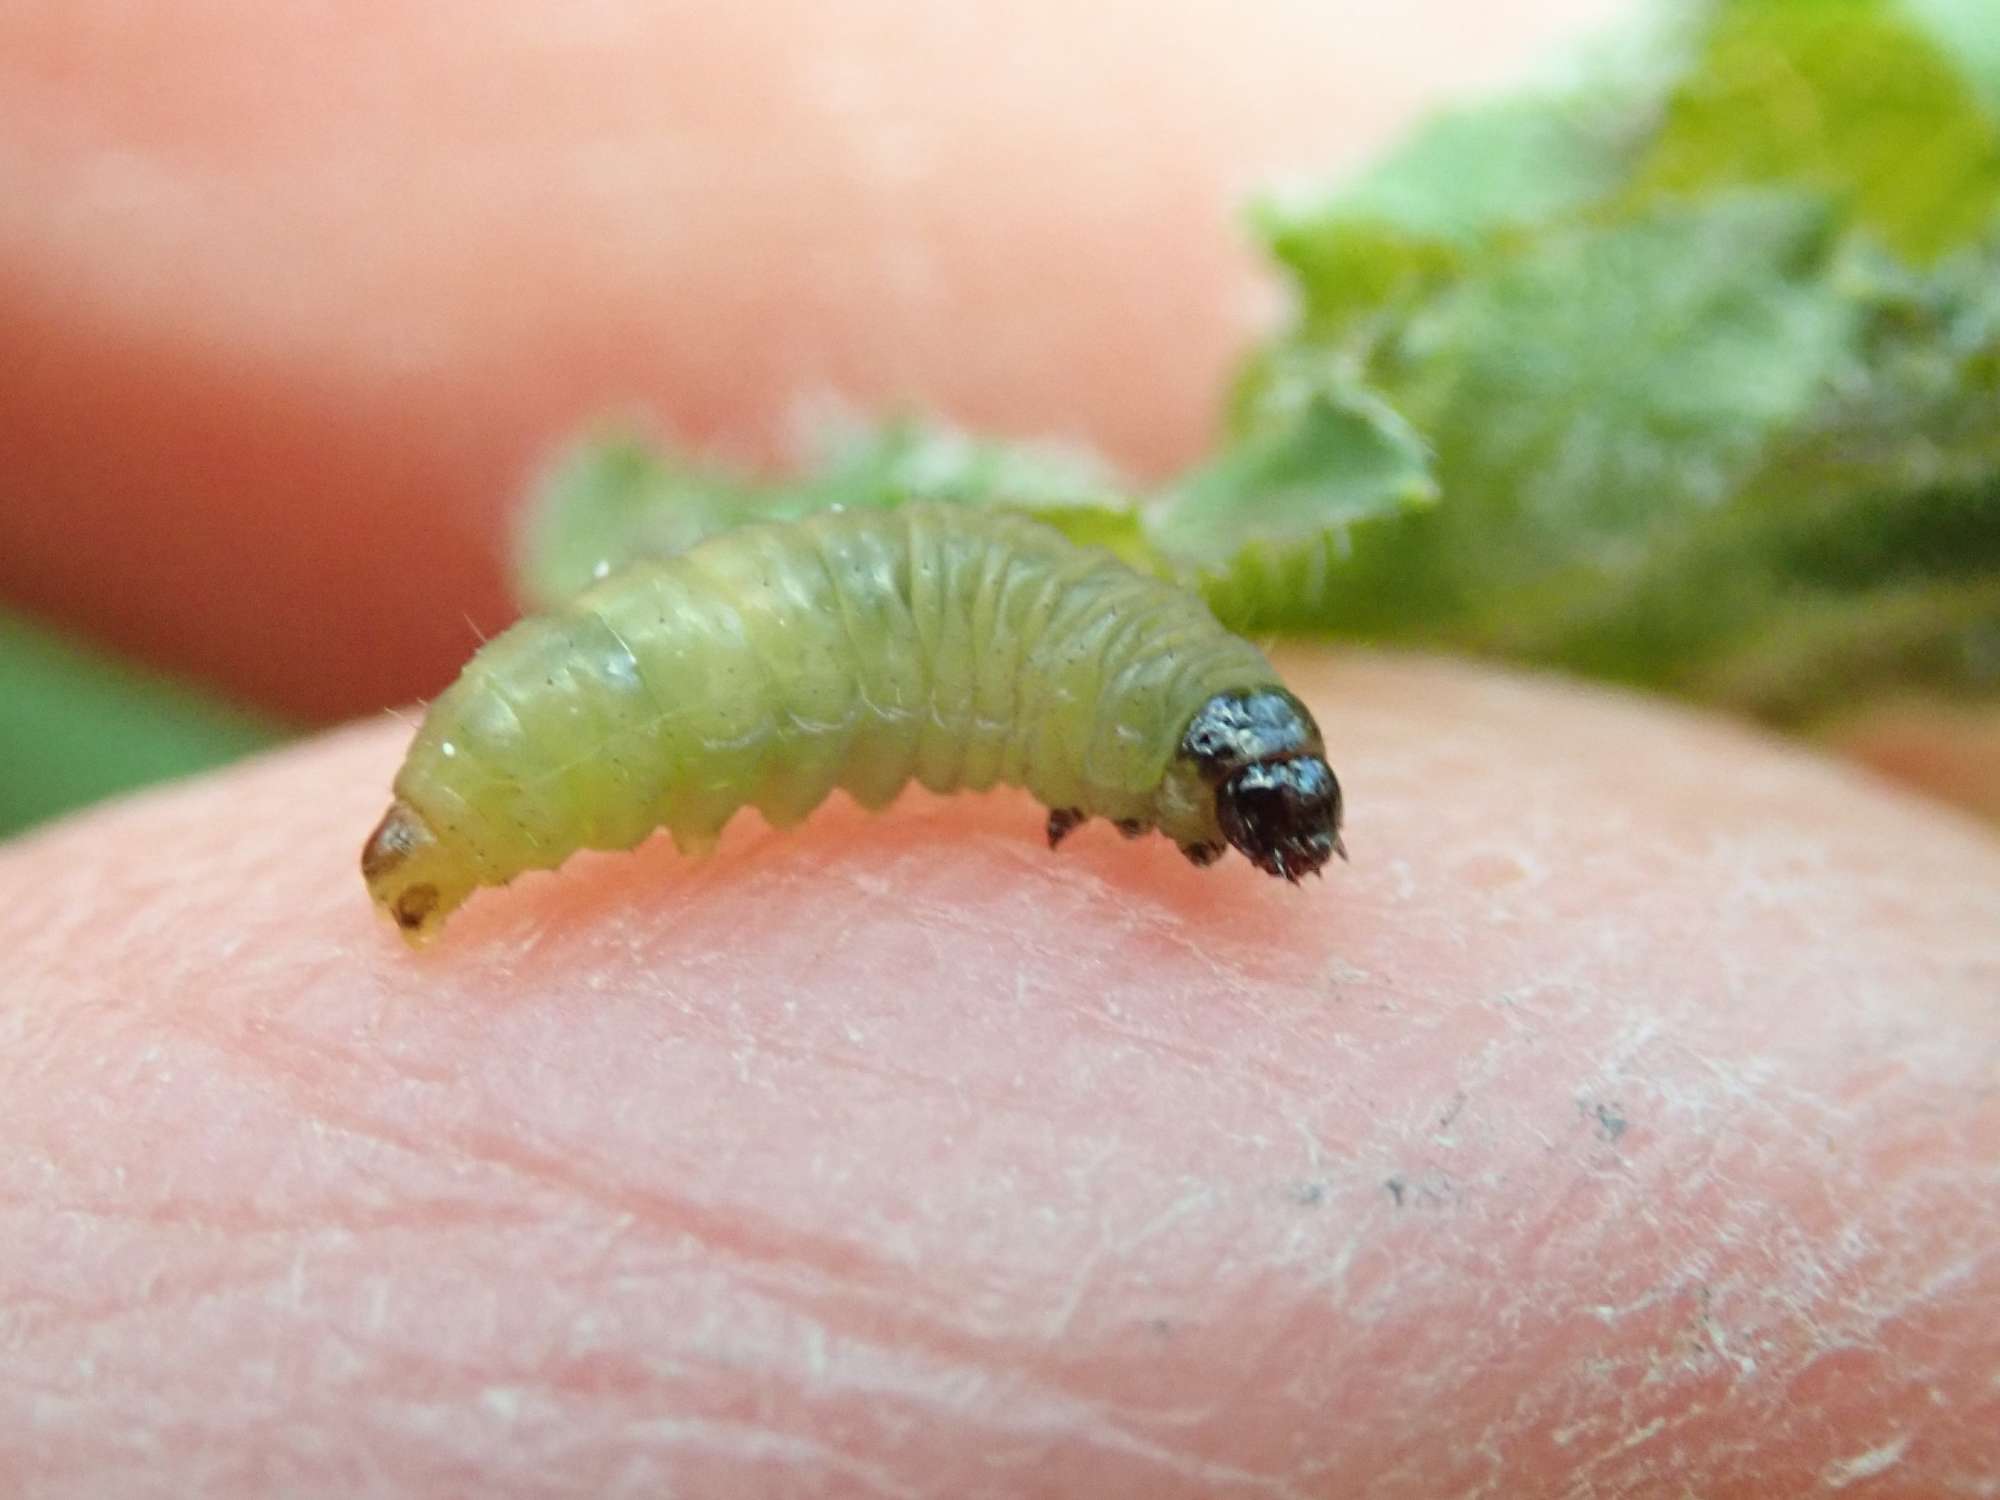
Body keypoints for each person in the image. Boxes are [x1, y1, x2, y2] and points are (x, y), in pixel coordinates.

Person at [3, 2, 1996, 1492]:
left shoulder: (1078, 671)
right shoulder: (1076, 668)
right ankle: (463, 832)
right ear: (1156, 743)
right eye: (1234, 786)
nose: (1246, 827)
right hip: (564, 733)